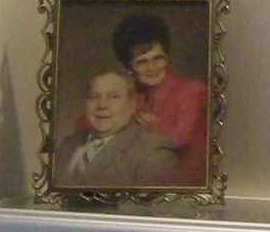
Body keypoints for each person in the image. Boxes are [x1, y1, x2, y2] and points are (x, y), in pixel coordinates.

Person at [113, 11, 208, 185]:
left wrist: (150, 124)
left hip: (187, 187)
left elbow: (180, 138)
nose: (152, 68)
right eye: (142, 62)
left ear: (167, 58)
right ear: (129, 68)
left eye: (158, 58)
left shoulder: (192, 91)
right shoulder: (133, 96)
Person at [55, 66, 182, 190]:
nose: (102, 105)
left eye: (114, 97)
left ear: (132, 105)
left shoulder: (154, 153)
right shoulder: (68, 145)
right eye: (94, 97)